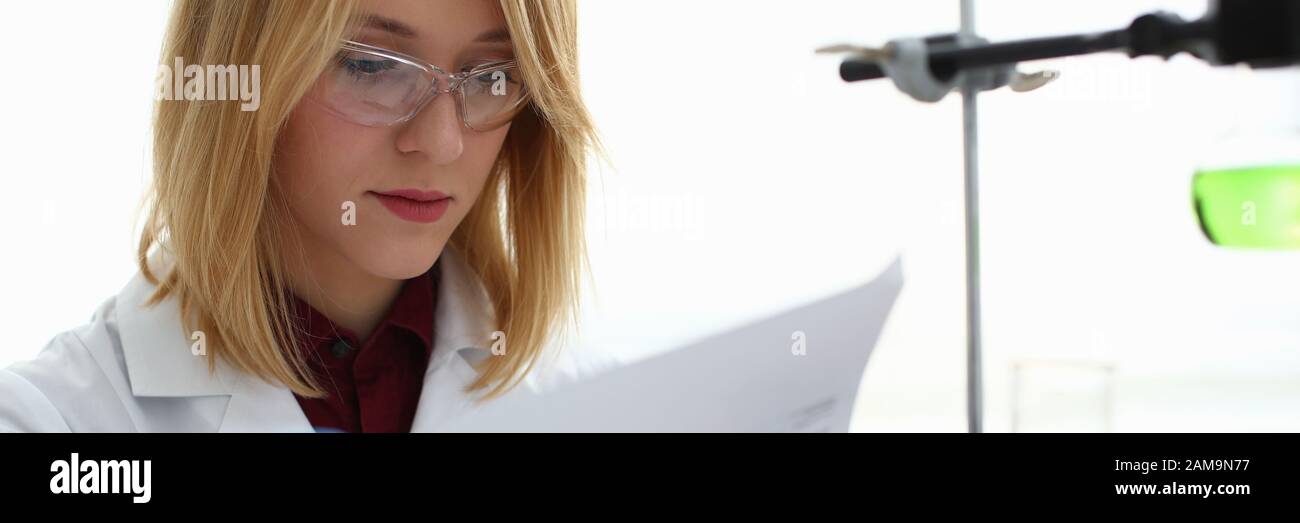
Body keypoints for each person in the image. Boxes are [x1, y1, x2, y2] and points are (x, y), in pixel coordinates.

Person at [0, 0, 598, 432]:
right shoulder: (50, 425)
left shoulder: (603, 403)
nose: (442, 142)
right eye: (370, 65)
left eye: (493, 76)